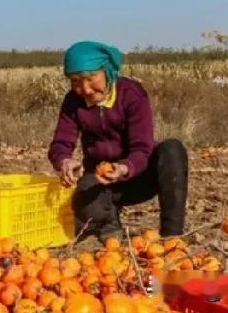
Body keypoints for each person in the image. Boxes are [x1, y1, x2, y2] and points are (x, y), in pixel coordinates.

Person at [48, 41, 188, 240]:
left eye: (90, 78)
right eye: (76, 81)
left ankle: (172, 235)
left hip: (139, 176)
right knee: (82, 197)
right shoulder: (73, 101)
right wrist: (64, 161)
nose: (85, 89)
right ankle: (109, 224)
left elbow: (142, 148)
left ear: (106, 71)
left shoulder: (131, 95)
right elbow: (60, 143)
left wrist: (123, 168)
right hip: (101, 180)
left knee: (172, 149)